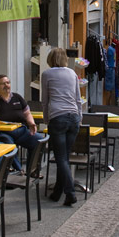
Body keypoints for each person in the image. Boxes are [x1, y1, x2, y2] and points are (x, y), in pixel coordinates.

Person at [41, 48, 82, 206]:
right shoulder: (72, 73)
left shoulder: (47, 74)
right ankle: (57, 192)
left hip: (58, 117)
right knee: (64, 157)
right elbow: (78, 98)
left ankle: (70, 192)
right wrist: (79, 118)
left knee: (61, 158)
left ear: (51, 59)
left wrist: (46, 118)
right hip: (73, 117)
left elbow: (45, 99)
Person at [0, 74, 44, 173]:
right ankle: (19, 171)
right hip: (3, 133)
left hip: (20, 130)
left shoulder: (17, 97)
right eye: (3, 84)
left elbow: (27, 113)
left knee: (38, 140)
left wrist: (31, 123)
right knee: (9, 145)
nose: (6, 85)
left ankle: (32, 172)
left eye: (8, 83)